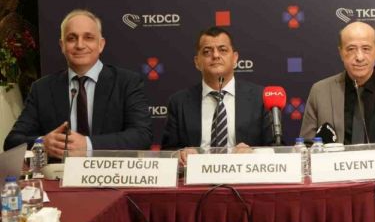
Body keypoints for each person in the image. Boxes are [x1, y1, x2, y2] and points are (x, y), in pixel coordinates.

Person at [4, 9, 152, 158]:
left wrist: (88, 145)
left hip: (110, 171)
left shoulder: (127, 82)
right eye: (71, 38)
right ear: (62, 45)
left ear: (101, 44)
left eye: (88, 37)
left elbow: (142, 136)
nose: (80, 45)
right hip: (60, 172)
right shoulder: (42, 88)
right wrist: (42, 143)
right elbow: (12, 141)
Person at [300, 21, 375, 144]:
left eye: (366, 49)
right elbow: (307, 146)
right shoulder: (320, 92)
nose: (359, 57)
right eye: (351, 49)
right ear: (341, 52)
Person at [161, 26, 272, 153]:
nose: (215, 55)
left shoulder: (261, 98)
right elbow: (167, 151)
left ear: (235, 58)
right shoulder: (179, 102)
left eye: (223, 50)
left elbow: (276, 148)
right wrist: (180, 154)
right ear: (197, 62)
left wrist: (254, 153)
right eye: (207, 52)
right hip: (197, 166)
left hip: (246, 166)